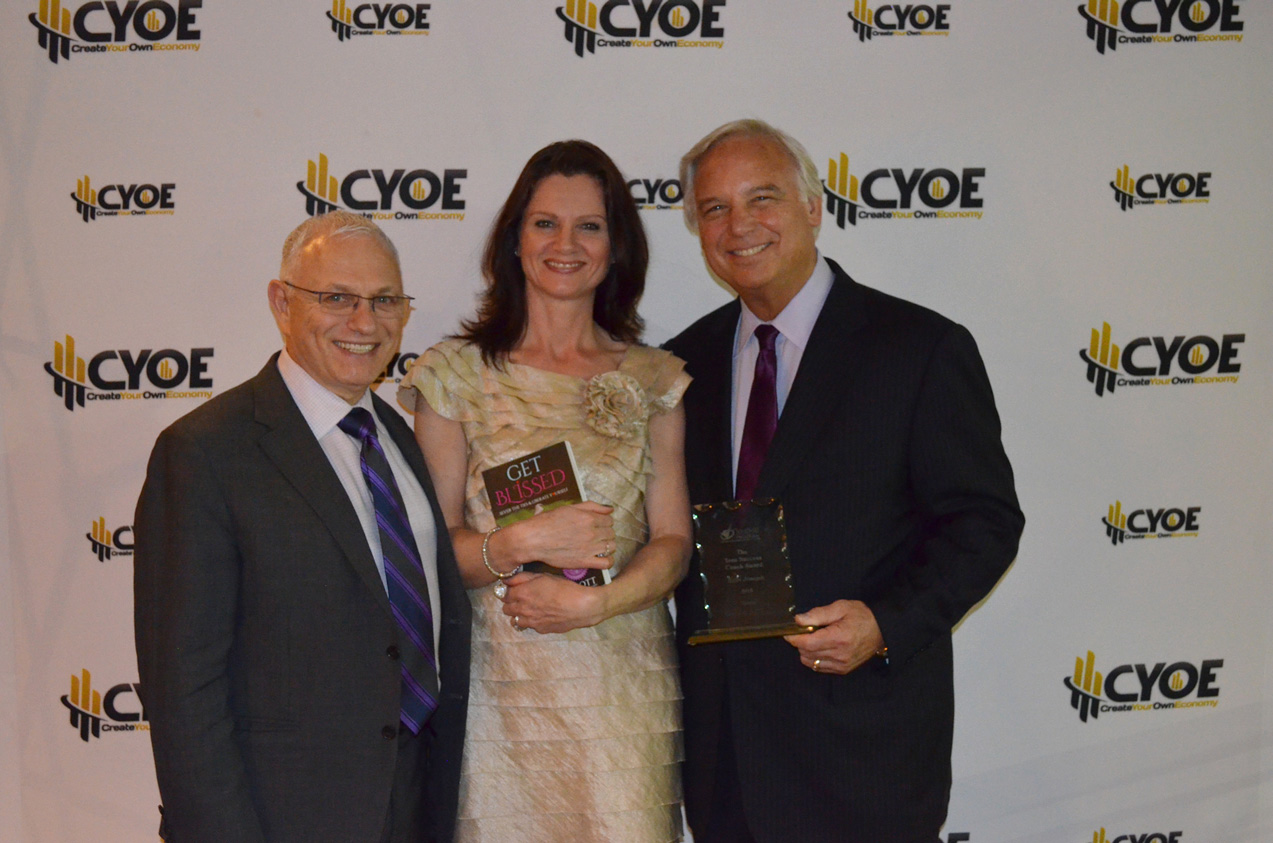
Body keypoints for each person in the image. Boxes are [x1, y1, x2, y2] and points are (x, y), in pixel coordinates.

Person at [664, 119, 1025, 843]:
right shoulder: (679, 367)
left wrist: (886, 623)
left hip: (863, 752)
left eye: (762, 198)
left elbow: (983, 523)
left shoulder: (919, 348)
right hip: (726, 762)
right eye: (714, 208)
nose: (739, 226)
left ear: (812, 206)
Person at [133, 211, 471, 843]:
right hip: (280, 819)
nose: (364, 323)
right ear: (282, 303)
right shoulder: (205, 452)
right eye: (336, 298)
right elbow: (183, 692)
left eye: (384, 300)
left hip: (415, 806)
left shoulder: (400, 439)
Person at [400, 139, 692, 842]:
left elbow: (674, 541)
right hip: (498, 697)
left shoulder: (654, 379)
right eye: (544, 223)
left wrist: (597, 603)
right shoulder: (454, 375)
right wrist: (518, 542)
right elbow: (429, 552)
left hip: (623, 693)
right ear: (514, 239)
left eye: (589, 225)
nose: (566, 244)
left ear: (616, 247)